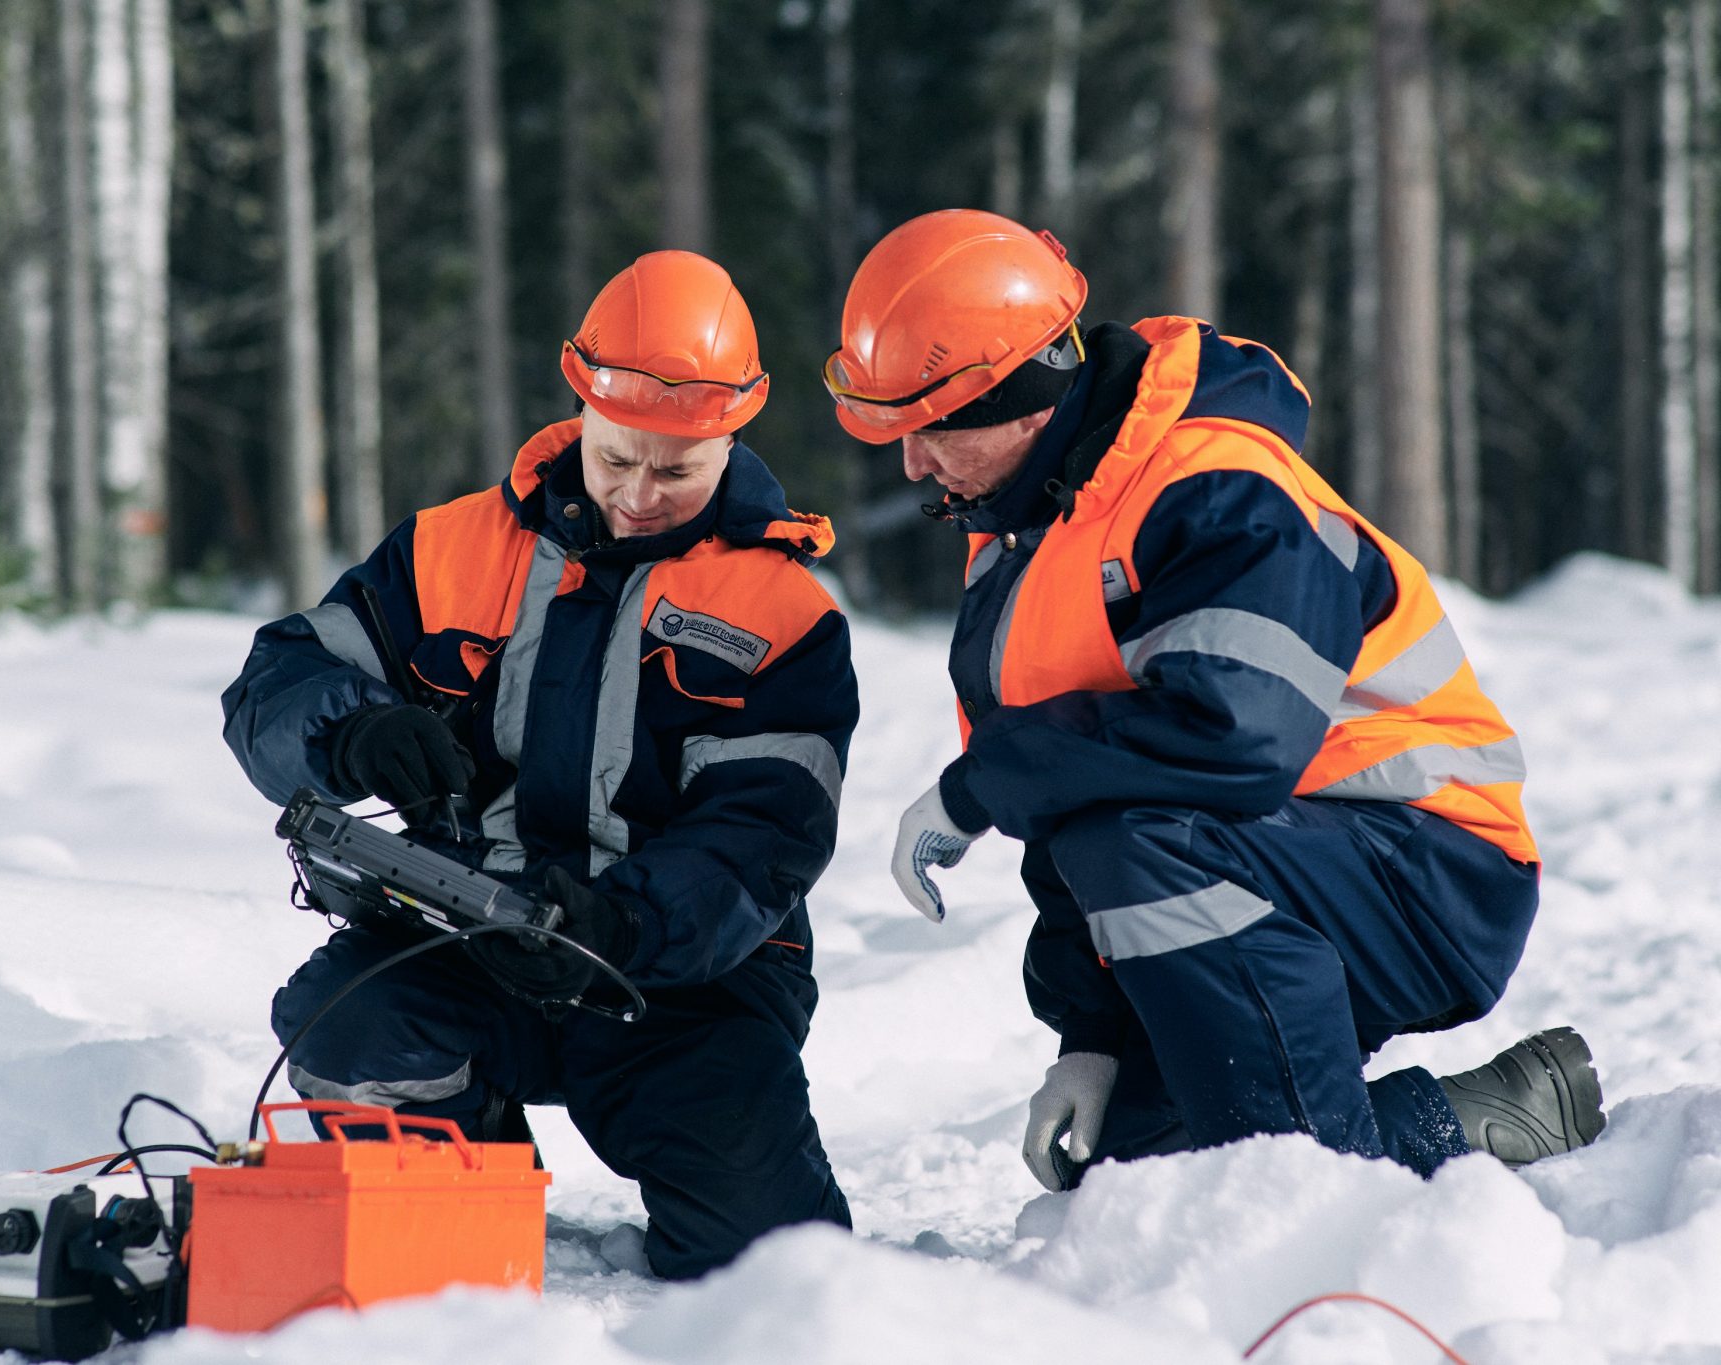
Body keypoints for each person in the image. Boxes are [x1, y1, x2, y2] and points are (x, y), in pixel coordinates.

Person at [824, 208, 1605, 1191]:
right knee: (1140, 1172)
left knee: (1154, 879)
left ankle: (1304, 1186)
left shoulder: (1218, 490)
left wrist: (978, 787)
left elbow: (1231, 740)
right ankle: (1479, 1118)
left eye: (930, 429)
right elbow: (1079, 801)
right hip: (1273, 859)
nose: (910, 464)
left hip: (1427, 866)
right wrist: (1091, 1037)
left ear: (1022, 397)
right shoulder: (1015, 545)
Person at [222, 250, 857, 1277]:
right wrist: (352, 730)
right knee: (344, 1028)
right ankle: (465, 1204)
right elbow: (271, 683)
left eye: (676, 470)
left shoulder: (783, 613)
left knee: (772, 1270)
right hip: (461, 947)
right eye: (616, 460)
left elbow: (765, 832)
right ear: (579, 405)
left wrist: (625, 924)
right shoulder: (444, 546)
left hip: (681, 984)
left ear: (734, 431)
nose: (640, 494)